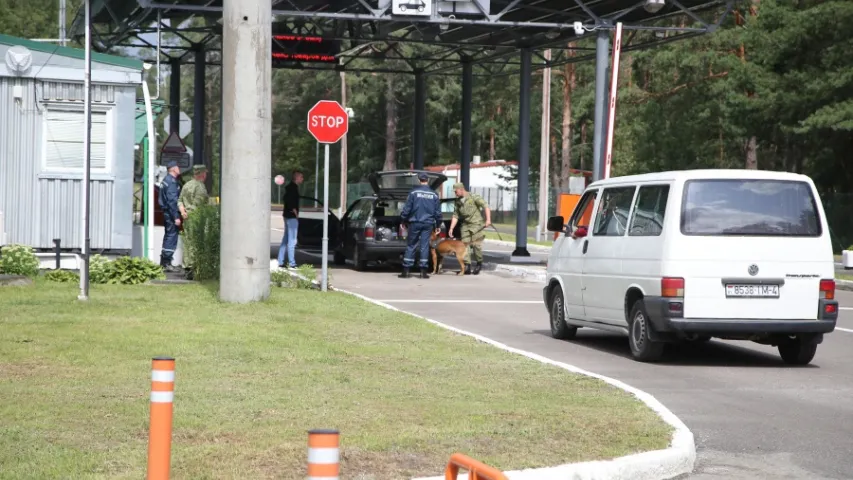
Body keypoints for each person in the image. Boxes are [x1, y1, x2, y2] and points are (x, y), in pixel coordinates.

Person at [399, 172, 442, 279]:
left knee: (411, 245)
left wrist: (403, 220)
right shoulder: (434, 194)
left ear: (419, 180)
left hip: (415, 222)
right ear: (428, 180)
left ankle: (406, 271)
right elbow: (437, 212)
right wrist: (438, 224)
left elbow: (407, 209)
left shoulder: (413, 193)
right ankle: (423, 272)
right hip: (428, 223)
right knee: (424, 246)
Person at [448, 182, 491, 275]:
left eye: (456, 191)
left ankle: (479, 263)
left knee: (476, 245)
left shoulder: (473, 197)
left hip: (476, 224)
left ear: (461, 189)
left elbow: (485, 206)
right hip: (465, 225)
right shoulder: (458, 201)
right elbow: (455, 215)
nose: (455, 193)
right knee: (464, 246)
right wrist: (451, 228)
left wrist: (488, 220)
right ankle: (467, 266)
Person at [178, 164, 210, 278]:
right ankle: (193, 268)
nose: (206, 175)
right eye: (205, 173)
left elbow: (180, 200)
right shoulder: (200, 187)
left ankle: (187, 267)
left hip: (186, 218)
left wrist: (183, 212)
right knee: (196, 243)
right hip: (195, 218)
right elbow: (198, 205)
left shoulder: (186, 185)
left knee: (187, 242)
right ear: (201, 174)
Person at [158, 160, 182, 272]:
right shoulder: (171, 182)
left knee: (168, 236)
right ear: (172, 169)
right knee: (171, 237)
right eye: (177, 167)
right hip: (171, 213)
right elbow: (172, 201)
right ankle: (166, 263)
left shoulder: (166, 180)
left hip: (167, 213)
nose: (179, 168)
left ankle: (164, 262)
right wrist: (176, 216)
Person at [278, 170, 303, 269]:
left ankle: (281, 261)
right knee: (292, 240)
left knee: (285, 239)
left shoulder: (289, 188)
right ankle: (292, 263)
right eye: (301, 177)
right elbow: (292, 203)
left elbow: (287, 201)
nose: (302, 179)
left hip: (286, 215)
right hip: (292, 216)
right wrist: (296, 215)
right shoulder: (294, 189)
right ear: (296, 178)